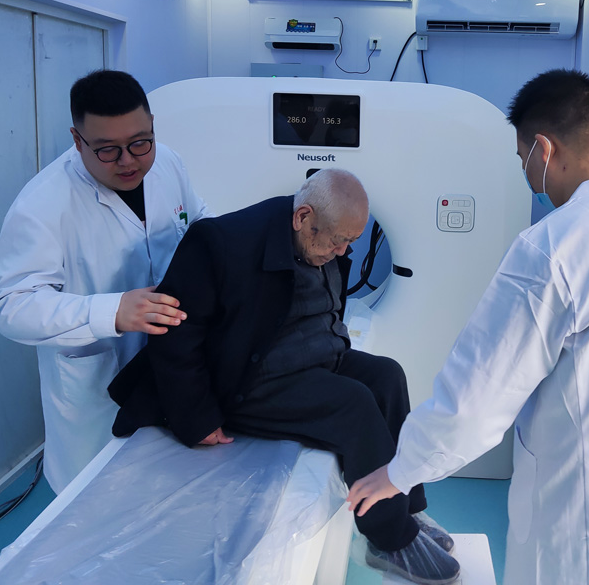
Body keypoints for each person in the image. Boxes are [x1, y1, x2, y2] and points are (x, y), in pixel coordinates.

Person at [347, 69, 589, 585]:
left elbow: (476, 398)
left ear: (544, 150)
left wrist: (399, 473)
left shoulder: (554, 247)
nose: (529, 179)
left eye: (522, 160)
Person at [108, 168, 460, 585]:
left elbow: (322, 301)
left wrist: (334, 251)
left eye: (351, 241)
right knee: (355, 406)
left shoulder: (321, 239)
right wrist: (196, 417)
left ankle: (409, 507)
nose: (343, 251)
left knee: (387, 375)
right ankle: (389, 539)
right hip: (249, 382)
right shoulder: (219, 242)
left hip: (312, 357)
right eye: (337, 241)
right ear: (302, 216)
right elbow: (173, 334)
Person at [0, 70, 208, 493]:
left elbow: (198, 221)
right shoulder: (43, 204)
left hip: (172, 370)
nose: (128, 161)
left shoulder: (168, 164)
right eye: (107, 150)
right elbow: (8, 305)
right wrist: (110, 311)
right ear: (77, 140)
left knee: (166, 495)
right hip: (95, 389)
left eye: (140, 142)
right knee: (95, 500)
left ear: (152, 126)